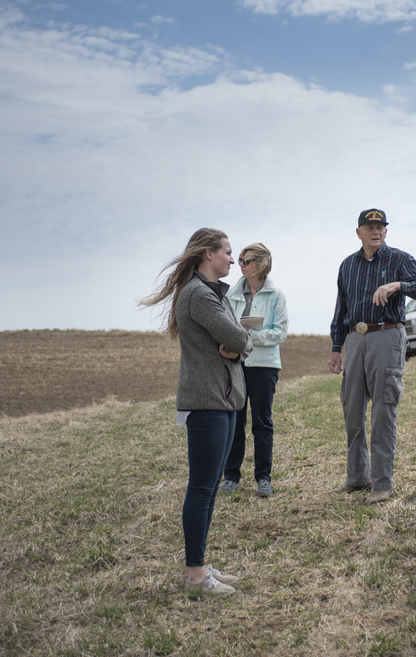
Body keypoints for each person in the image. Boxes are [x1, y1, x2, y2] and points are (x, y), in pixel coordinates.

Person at [140, 228, 252, 597]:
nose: (232, 260)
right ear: (208, 254)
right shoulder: (199, 296)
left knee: (208, 490)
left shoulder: (212, 294)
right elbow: (239, 337)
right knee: (202, 489)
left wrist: (236, 348)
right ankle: (194, 575)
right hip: (207, 403)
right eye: (228, 252)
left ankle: (199, 563)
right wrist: (238, 344)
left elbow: (235, 342)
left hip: (221, 400)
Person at [328, 209, 416, 505]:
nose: (375, 231)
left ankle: (382, 483)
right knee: (352, 410)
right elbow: (341, 310)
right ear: (359, 232)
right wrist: (337, 347)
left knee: (382, 411)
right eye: (369, 227)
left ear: (386, 232)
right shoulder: (347, 265)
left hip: (387, 336)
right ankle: (357, 478)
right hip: (354, 338)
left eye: (380, 227)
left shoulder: (399, 259)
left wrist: (399, 285)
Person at [219, 243, 289, 498]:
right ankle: (231, 477)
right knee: (234, 422)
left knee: (262, 423)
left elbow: (280, 333)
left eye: (245, 260)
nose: (240, 264)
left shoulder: (276, 295)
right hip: (235, 364)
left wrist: (251, 336)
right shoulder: (230, 294)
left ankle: (263, 478)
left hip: (264, 366)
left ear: (260, 263)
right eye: (239, 260)